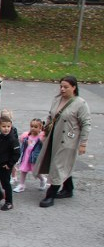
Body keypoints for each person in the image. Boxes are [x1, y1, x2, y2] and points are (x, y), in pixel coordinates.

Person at [37, 75, 92, 207]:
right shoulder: (57, 100)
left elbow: (86, 124)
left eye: (66, 87)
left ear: (74, 87)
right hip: (54, 137)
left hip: (68, 140)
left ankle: (50, 195)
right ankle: (68, 189)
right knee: (60, 164)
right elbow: (50, 116)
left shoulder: (80, 104)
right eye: (61, 86)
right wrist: (45, 132)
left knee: (58, 166)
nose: (62, 89)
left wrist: (83, 143)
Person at [0, 114, 21, 210]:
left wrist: (10, 164)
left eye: (8, 126)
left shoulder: (12, 139)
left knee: (5, 184)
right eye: (4, 126)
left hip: (5, 166)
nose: (6, 129)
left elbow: (17, 153)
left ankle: (9, 202)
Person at [12, 118, 46, 193]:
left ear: (40, 128)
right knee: (23, 170)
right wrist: (25, 141)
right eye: (32, 126)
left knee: (35, 172)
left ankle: (43, 179)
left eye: (35, 127)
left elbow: (43, 147)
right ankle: (21, 185)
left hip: (34, 158)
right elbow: (23, 143)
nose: (33, 128)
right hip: (26, 157)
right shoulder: (27, 136)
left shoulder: (40, 138)